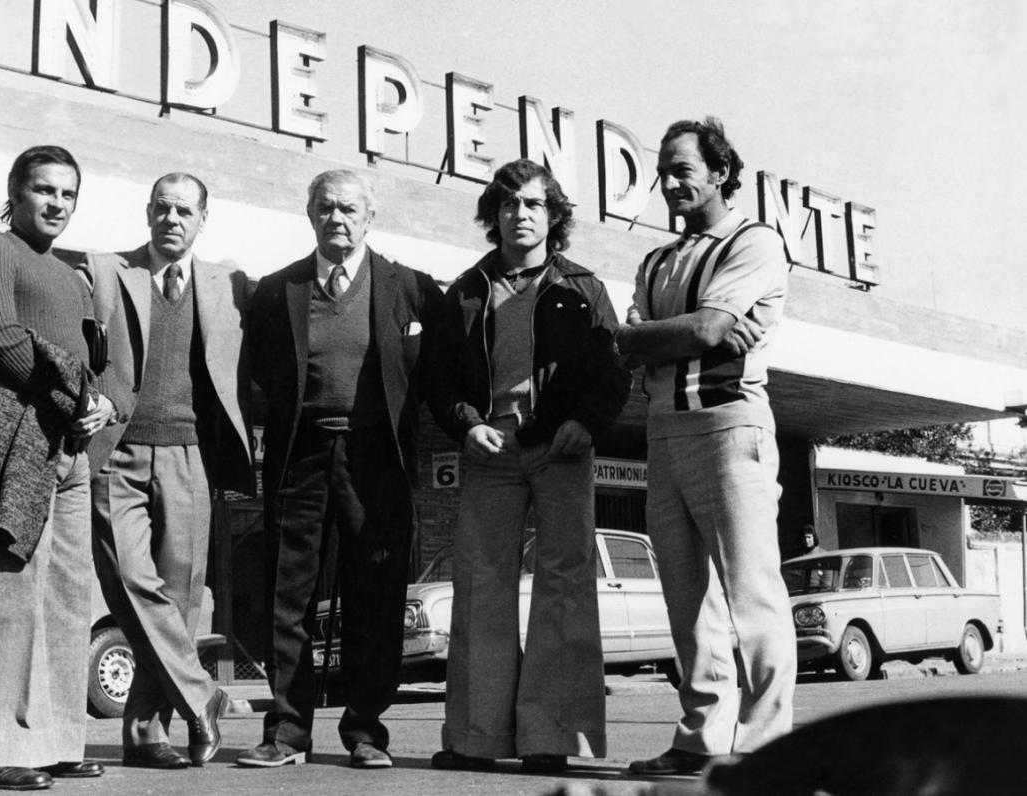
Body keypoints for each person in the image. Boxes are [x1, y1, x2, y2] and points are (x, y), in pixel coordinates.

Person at [428, 158, 630, 773]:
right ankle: (475, 738)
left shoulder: (583, 288)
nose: (521, 214)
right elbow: (434, 378)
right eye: (510, 203)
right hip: (492, 454)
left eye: (535, 204)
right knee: (480, 589)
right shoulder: (464, 290)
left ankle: (553, 739)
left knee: (565, 590)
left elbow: (612, 372)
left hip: (561, 450)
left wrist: (585, 423)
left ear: (554, 216)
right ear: (494, 214)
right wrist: (467, 424)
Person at [239, 169, 443, 770]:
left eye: (350, 209)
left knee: (374, 596)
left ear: (370, 217)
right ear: (310, 215)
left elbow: (430, 373)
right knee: (288, 595)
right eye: (326, 208)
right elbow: (263, 375)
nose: (338, 218)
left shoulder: (411, 288)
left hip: (376, 457)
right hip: (300, 454)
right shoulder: (278, 291)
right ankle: (287, 731)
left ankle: (364, 732)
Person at [615, 117, 796, 776]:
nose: (669, 183)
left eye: (683, 169)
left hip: (728, 425)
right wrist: (682, 332)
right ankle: (701, 740)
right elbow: (637, 338)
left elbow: (707, 326)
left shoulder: (756, 241)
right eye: (663, 170)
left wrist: (679, 331)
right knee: (688, 600)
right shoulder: (658, 258)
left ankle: (766, 750)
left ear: (720, 172)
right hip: (665, 430)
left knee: (751, 594)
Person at [0, 145, 113, 790]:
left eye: (68, 195)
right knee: (10, 595)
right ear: (15, 192)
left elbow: (86, 358)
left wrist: (95, 403)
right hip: (15, 434)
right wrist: (80, 392)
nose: (56, 204)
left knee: (69, 599)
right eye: (44, 190)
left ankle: (55, 740)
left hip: (70, 445)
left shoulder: (73, 276)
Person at [84, 173, 254, 768]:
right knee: (131, 580)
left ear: (203, 218)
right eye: (162, 207)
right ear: (147, 212)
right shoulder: (106, 271)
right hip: (119, 449)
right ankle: (202, 697)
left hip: (191, 455)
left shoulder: (229, 283)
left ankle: (144, 734)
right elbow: (71, 338)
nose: (172, 219)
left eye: (185, 210)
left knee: (180, 596)